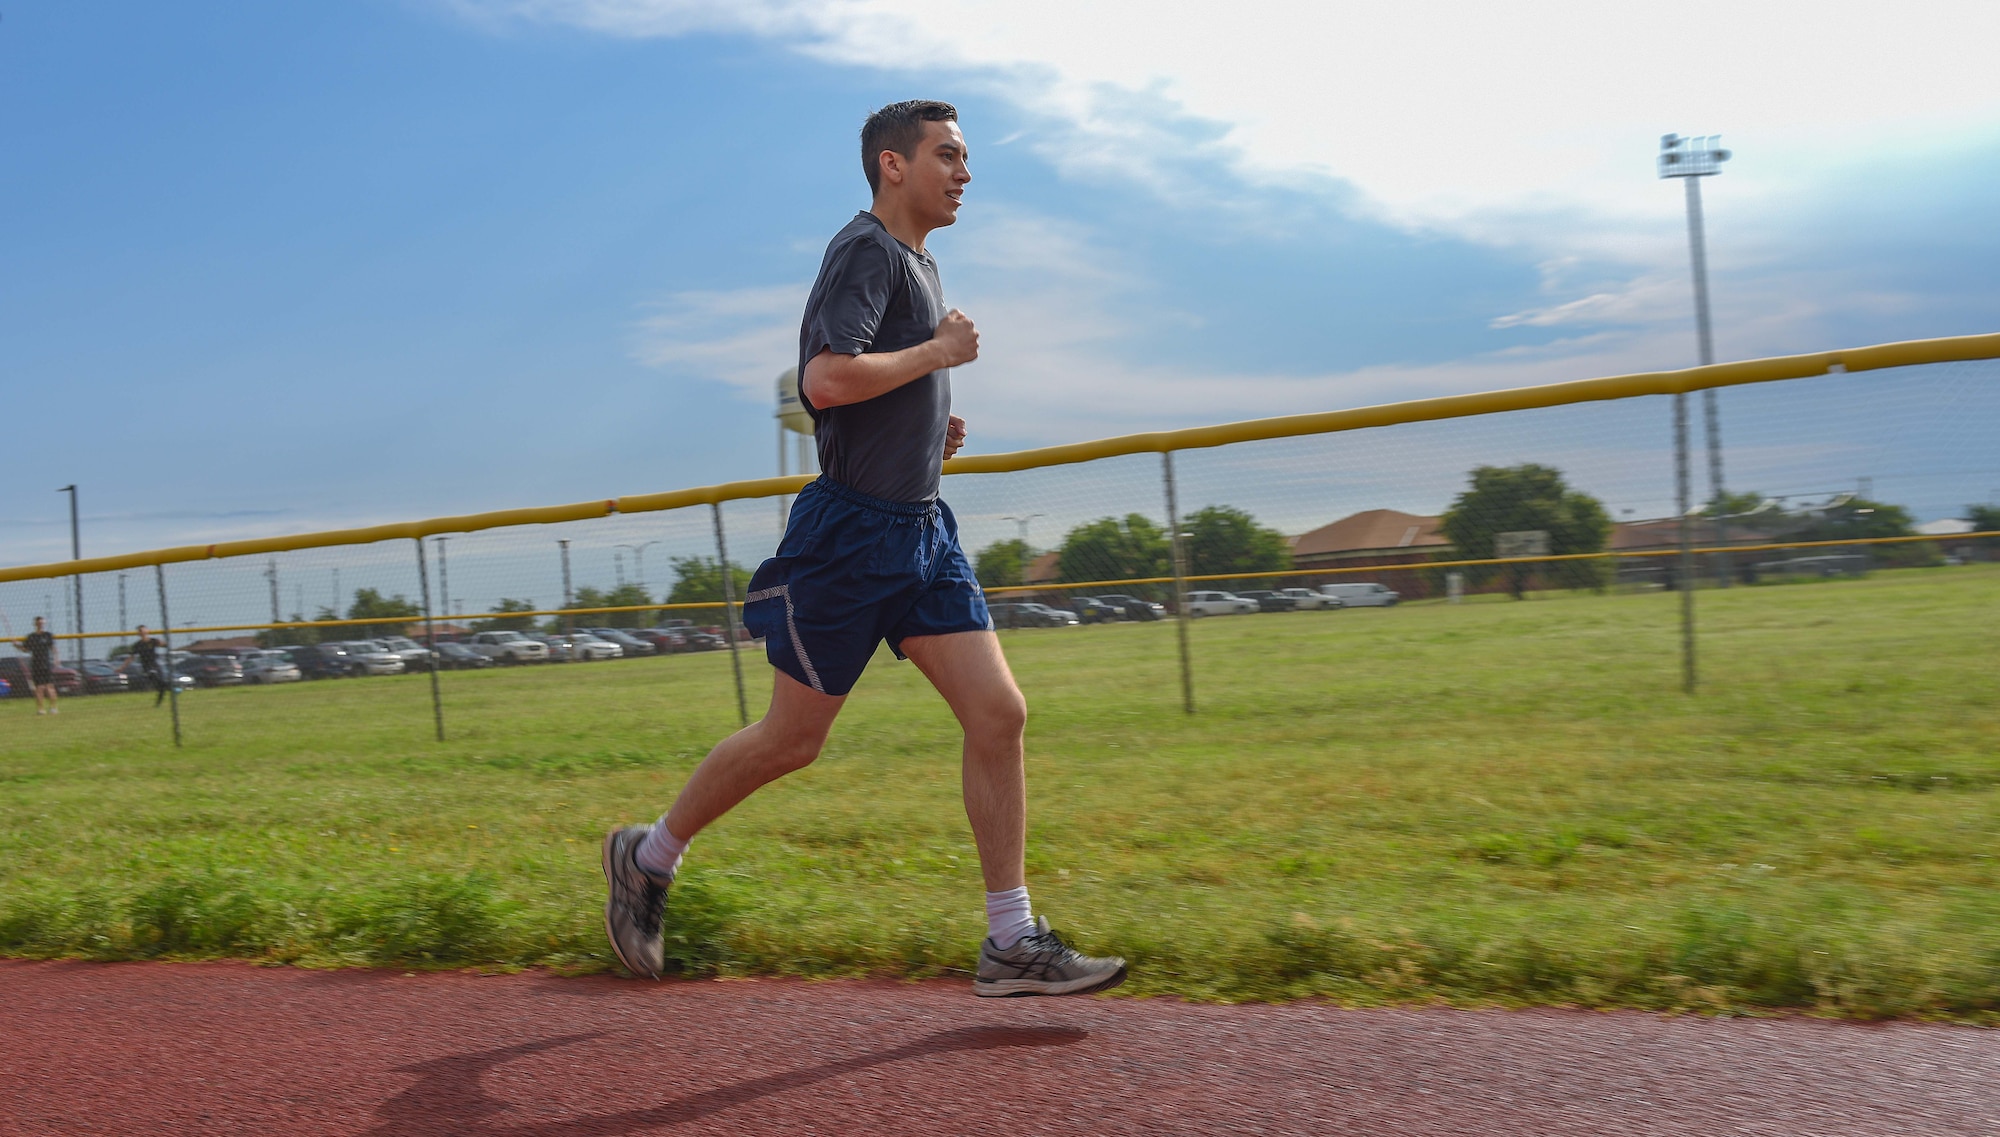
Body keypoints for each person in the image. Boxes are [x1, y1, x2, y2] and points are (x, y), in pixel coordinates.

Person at [602, 100, 1126, 998]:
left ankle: (1010, 938)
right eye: (948, 155)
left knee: (999, 713)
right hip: (850, 538)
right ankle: (648, 857)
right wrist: (936, 354)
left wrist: (927, 429)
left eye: (966, 157)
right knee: (792, 740)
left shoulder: (918, 262)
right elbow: (826, 379)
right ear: (893, 164)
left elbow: (869, 390)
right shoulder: (867, 251)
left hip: (922, 530)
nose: (965, 172)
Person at [18, 616, 59, 715]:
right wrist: (17, 645)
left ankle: (53, 708)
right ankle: (41, 709)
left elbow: (53, 649)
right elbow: (26, 649)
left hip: (46, 664)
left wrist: (56, 659)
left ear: (44, 623)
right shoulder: (31, 637)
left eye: (42, 623)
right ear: (35, 624)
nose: (40, 624)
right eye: (38, 623)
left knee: (49, 687)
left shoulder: (48, 635)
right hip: (36, 665)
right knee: (39, 688)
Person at [132, 625, 169, 706]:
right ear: (138, 633)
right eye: (140, 631)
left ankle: (158, 703)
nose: (142, 632)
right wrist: (121, 668)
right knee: (154, 676)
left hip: (155, 664)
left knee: (161, 686)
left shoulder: (153, 641)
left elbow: (164, 645)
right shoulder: (138, 645)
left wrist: (164, 643)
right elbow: (131, 657)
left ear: (148, 631)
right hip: (147, 666)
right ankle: (173, 687)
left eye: (143, 630)